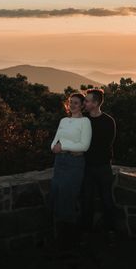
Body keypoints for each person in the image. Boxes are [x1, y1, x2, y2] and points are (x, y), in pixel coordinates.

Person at [49, 92, 92, 250]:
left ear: (82, 106)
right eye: (70, 102)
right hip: (60, 161)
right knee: (57, 193)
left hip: (75, 164)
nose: (72, 105)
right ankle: (59, 237)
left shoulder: (85, 122)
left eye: (76, 103)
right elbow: (54, 142)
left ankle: (73, 239)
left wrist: (64, 147)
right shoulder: (63, 120)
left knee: (69, 196)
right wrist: (54, 148)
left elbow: (84, 146)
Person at [78, 88, 117, 246]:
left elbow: (105, 144)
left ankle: (110, 231)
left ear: (95, 103)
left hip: (103, 167)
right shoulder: (83, 119)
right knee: (86, 201)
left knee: (107, 200)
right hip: (87, 167)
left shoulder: (108, 121)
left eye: (87, 101)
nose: (84, 103)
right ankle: (85, 233)